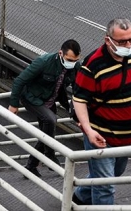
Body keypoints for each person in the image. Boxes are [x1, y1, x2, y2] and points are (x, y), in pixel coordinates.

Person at [72, 18, 131, 206]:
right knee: (105, 186)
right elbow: (79, 99)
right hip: (102, 135)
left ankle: (79, 196)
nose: (128, 45)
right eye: (122, 41)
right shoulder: (93, 64)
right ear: (108, 40)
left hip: (129, 135)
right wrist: (88, 131)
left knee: (115, 172)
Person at [8, 39, 81, 177]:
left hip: (50, 100)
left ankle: (30, 166)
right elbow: (19, 81)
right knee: (51, 120)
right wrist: (14, 104)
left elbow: (77, 92)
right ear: (60, 53)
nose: (72, 63)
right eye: (69, 60)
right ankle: (50, 155)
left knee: (45, 134)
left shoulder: (76, 67)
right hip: (32, 98)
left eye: (75, 60)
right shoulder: (44, 62)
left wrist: (76, 115)